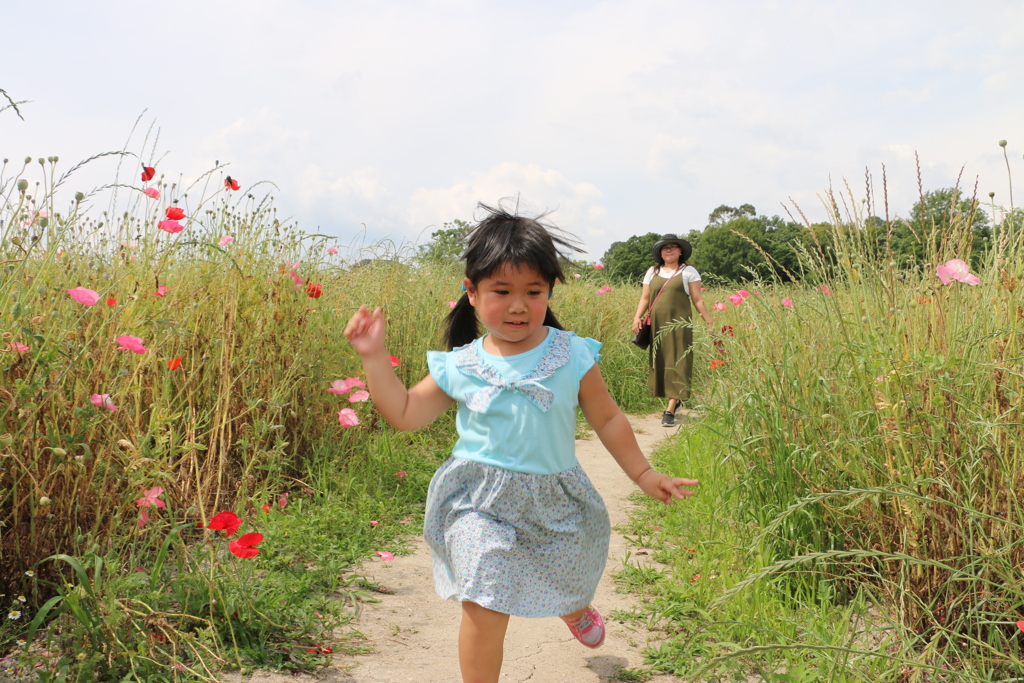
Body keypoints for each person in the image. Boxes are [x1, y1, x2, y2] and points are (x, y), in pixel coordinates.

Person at [344, 204, 698, 683]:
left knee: (569, 577)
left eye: (534, 292)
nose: (518, 305)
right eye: (501, 292)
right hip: (477, 502)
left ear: (550, 290)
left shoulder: (570, 353)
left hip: (554, 497)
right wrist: (374, 357)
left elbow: (609, 418)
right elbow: (405, 413)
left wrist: (643, 473)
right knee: (484, 601)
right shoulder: (462, 364)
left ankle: (574, 609)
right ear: (471, 293)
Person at [631, 234, 714, 427]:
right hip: (657, 324)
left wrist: (710, 322)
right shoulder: (653, 271)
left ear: (680, 251)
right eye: (665, 247)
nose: (669, 250)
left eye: (673, 247)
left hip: (679, 324)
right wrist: (637, 317)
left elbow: (698, 299)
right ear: (660, 252)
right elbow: (645, 297)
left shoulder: (688, 271)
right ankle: (675, 401)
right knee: (661, 361)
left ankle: (669, 409)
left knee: (679, 361)